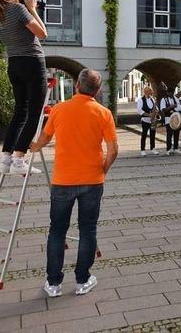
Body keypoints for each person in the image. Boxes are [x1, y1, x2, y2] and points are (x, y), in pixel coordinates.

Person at [31, 69, 118, 298]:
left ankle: (53, 283)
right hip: (92, 180)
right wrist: (103, 169)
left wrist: (33, 147)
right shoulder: (104, 113)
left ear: (77, 86)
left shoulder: (59, 109)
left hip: (62, 180)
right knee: (88, 229)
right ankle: (82, 280)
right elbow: (113, 149)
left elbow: (45, 138)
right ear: (97, 91)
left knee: (57, 230)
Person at [0, 0, 48, 175]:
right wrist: (32, 9)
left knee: (20, 112)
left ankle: (6, 158)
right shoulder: (18, 9)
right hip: (32, 62)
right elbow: (42, 34)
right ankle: (19, 159)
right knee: (34, 114)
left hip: (14, 64)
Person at [159, 84, 181, 155]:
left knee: (176, 133)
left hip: (176, 118)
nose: (172, 94)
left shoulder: (175, 98)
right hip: (168, 119)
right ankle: (168, 149)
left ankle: (176, 148)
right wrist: (171, 107)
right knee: (169, 134)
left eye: (172, 93)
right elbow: (163, 110)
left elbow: (179, 106)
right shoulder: (163, 100)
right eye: (170, 93)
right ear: (167, 93)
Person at [137, 86, 158, 156]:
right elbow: (140, 111)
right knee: (144, 135)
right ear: (146, 92)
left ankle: (153, 148)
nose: (152, 92)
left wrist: (156, 112)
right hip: (145, 120)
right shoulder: (141, 100)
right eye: (150, 91)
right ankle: (142, 150)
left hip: (152, 121)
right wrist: (149, 115)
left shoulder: (152, 99)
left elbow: (156, 108)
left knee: (153, 135)